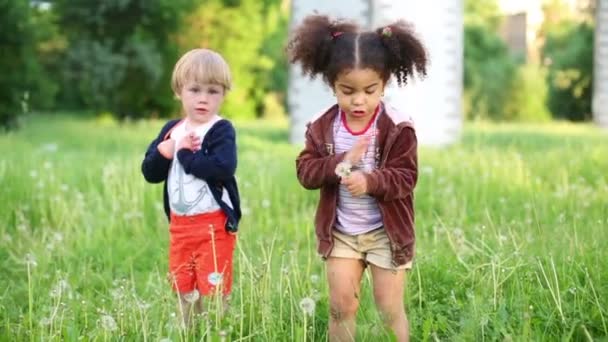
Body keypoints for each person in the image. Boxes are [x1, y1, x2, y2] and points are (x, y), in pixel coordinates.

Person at [288, 15, 428, 342]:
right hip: (342, 233)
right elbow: (305, 171)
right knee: (340, 307)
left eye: (370, 90)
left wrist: (370, 181)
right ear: (332, 85)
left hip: (386, 234)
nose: (359, 100)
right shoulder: (323, 125)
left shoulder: (397, 126)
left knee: (389, 307)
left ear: (385, 83)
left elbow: (406, 177)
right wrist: (339, 163)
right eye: (347, 91)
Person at [141, 48, 241, 326]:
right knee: (184, 284)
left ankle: (219, 329)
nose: (203, 99)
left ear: (223, 94)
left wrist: (185, 155)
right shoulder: (172, 130)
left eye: (213, 91)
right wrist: (166, 151)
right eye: (194, 90)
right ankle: (190, 330)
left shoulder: (220, 130)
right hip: (180, 225)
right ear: (179, 91)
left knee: (215, 283)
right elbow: (150, 173)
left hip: (213, 225)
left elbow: (223, 167)